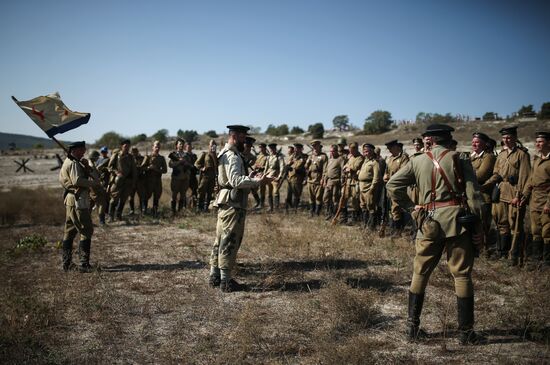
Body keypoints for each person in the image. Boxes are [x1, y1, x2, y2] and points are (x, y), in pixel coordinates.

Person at [386, 124, 485, 345]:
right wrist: (479, 229)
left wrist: (412, 209)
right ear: (448, 139)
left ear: (430, 140)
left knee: (420, 273)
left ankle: (412, 328)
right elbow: (475, 199)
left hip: (428, 222)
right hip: (457, 223)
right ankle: (466, 333)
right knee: (461, 275)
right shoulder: (460, 159)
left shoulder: (417, 160)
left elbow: (392, 186)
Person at [209, 125, 272, 292]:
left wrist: (249, 178)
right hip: (233, 204)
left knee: (220, 240)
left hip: (227, 202)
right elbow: (236, 181)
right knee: (230, 241)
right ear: (235, 136)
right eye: (243, 137)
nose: (245, 141)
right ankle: (226, 281)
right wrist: (259, 181)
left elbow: (231, 179)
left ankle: (214, 275)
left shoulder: (226, 153)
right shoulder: (233, 156)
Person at [485, 126, 531, 265]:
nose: (506, 140)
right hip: (501, 192)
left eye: (509, 137)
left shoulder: (522, 155)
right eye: (504, 138)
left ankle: (515, 256)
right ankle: (503, 253)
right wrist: (485, 185)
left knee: (515, 226)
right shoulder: (501, 154)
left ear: (515, 138)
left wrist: (519, 195)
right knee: (502, 224)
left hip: (514, 193)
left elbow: (525, 177)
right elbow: (496, 173)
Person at [59, 141, 101, 272]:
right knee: (86, 230)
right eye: (82, 149)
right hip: (78, 200)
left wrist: (87, 167)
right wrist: (92, 183)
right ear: (75, 150)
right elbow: (77, 180)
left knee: (70, 232)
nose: (84, 151)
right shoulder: (73, 163)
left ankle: (66, 264)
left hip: (71, 200)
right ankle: (84, 264)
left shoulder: (70, 162)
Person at [521, 131, 550, 270]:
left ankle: (546, 262)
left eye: (540, 141)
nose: (537, 144)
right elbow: (531, 180)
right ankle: (536, 260)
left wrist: (548, 204)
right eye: (536, 141)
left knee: (547, 232)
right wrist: (525, 196)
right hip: (535, 200)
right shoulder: (537, 159)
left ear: (548, 143)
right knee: (535, 230)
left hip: (546, 200)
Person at [470, 132, 497, 255]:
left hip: (483, 196)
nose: (474, 143)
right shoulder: (472, 156)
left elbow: (481, 175)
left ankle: (486, 251)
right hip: (472, 196)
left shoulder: (488, 157)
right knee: (474, 224)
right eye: (473, 141)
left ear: (484, 144)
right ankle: (477, 249)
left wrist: (467, 173)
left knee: (484, 225)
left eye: (477, 142)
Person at [384, 140, 410, 235]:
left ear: (396, 147)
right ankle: (394, 228)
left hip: (398, 187)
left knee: (396, 208)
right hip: (390, 187)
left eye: (390, 148)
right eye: (388, 149)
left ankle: (398, 230)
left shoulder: (404, 158)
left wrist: (390, 178)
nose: (389, 150)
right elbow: (387, 170)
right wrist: (385, 175)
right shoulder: (390, 158)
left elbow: (403, 172)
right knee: (392, 208)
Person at [107, 139, 137, 221]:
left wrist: (134, 182)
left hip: (128, 182)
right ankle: (110, 216)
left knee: (123, 199)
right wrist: (116, 172)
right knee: (114, 199)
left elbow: (134, 170)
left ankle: (118, 215)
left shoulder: (131, 157)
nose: (127, 148)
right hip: (118, 181)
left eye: (128, 146)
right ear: (121, 146)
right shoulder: (116, 155)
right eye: (125, 146)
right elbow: (110, 167)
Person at [358, 143, 381, 230]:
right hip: (362, 186)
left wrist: (372, 188)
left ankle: (371, 226)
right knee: (363, 206)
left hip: (368, 187)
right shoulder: (365, 161)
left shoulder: (374, 162)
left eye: (367, 151)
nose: (365, 153)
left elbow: (376, 177)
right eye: (364, 151)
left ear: (371, 151)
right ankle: (365, 224)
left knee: (371, 206)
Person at [141, 140, 167, 216]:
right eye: (156, 146)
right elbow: (142, 168)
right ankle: (144, 211)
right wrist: (149, 167)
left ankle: (154, 211)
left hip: (157, 180)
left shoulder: (162, 158)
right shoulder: (148, 157)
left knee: (157, 196)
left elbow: (165, 170)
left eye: (159, 146)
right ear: (152, 147)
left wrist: (157, 169)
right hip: (149, 180)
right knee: (146, 196)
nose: (157, 148)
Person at [169, 139, 193, 215]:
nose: (181, 145)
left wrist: (186, 164)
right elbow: (171, 165)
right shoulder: (174, 155)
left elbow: (190, 166)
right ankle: (173, 212)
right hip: (176, 178)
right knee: (174, 195)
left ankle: (179, 211)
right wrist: (179, 162)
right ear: (176, 145)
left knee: (183, 195)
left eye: (182, 144)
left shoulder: (186, 155)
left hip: (184, 178)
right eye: (180, 144)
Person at [342, 142, 364, 224]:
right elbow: (345, 167)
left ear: (355, 149)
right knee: (344, 198)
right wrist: (347, 168)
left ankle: (355, 218)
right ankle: (344, 217)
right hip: (347, 181)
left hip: (355, 182)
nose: (350, 152)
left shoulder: (360, 157)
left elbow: (355, 167)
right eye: (350, 150)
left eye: (352, 150)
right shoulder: (351, 157)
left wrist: (349, 168)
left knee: (355, 200)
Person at [305, 140, 328, 216]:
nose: (314, 148)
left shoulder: (323, 156)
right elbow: (306, 167)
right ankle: (311, 211)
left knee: (318, 197)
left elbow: (325, 170)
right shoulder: (311, 156)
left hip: (318, 179)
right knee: (311, 197)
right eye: (313, 146)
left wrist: (323, 179)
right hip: (310, 180)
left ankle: (317, 212)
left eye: (316, 146)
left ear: (319, 146)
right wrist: (307, 162)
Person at [322, 144, 345, 220]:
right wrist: (325, 180)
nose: (331, 153)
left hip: (336, 181)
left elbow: (342, 171)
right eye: (330, 151)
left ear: (336, 151)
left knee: (335, 199)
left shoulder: (340, 159)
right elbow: (326, 171)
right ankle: (328, 212)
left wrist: (341, 181)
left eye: (333, 151)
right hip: (329, 181)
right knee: (325, 198)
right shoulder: (330, 159)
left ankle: (335, 214)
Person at [195, 139, 218, 212]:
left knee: (210, 192)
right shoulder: (204, 154)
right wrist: (202, 168)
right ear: (209, 146)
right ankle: (199, 208)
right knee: (201, 191)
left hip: (213, 176)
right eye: (211, 145)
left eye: (214, 145)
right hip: (205, 176)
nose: (212, 147)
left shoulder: (216, 156)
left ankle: (206, 208)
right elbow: (196, 164)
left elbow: (217, 165)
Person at [87, 150, 108, 225]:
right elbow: (94, 179)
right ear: (93, 157)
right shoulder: (91, 166)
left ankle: (87, 221)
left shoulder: (89, 164)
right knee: (102, 203)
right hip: (95, 187)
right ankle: (102, 222)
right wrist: (100, 186)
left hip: (90, 187)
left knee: (90, 204)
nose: (97, 158)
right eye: (96, 157)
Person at [286, 143, 307, 212]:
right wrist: (288, 167)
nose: (295, 150)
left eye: (297, 148)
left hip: (298, 178)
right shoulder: (292, 156)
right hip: (290, 178)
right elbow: (288, 163)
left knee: (296, 195)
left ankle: (295, 208)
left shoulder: (304, 157)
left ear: (301, 149)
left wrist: (293, 168)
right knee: (289, 194)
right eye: (295, 148)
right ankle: (289, 207)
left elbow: (304, 167)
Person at [265, 143, 285, 211]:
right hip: (268, 176)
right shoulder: (269, 157)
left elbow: (282, 167)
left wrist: (279, 176)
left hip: (275, 176)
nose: (271, 150)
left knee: (276, 191)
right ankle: (270, 207)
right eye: (270, 149)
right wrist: (264, 175)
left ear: (275, 149)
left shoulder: (279, 157)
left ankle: (276, 207)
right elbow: (266, 167)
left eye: (273, 148)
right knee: (269, 192)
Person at [242, 137, 261, 209]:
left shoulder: (249, 154)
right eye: (247, 146)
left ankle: (258, 201)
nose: (249, 149)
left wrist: (248, 164)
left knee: (252, 187)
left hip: (246, 172)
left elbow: (254, 158)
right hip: (239, 173)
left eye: (250, 147)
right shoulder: (239, 153)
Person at [129, 147, 146, 215]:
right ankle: (132, 210)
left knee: (141, 196)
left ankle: (142, 210)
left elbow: (145, 167)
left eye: (135, 151)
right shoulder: (129, 159)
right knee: (131, 197)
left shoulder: (142, 158)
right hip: (132, 180)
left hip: (139, 180)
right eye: (132, 151)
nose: (134, 153)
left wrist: (140, 168)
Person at [252, 143, 269, 209]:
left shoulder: (267, 156)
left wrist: (261, 167)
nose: (260, 149)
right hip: (257, 174)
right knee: (253, 189)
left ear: (265, 148)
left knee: (262, 190)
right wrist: (255, 167)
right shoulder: (259, 156)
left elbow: (268, 166)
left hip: (263, 174)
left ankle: (262, 204)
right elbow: (255, 164)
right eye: (260, 147)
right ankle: (258, 202)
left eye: (262, 147)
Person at [185, 141, 199, 209]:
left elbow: (197, 164)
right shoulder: (184, 156)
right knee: (185, 192)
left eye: (190, 146)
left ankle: (194, 206)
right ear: (186, 147)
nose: (189, 148)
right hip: (186, 176)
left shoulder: (194, 156)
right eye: (188, 146)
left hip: (193, 176)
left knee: (195, 191)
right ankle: (185, 206)